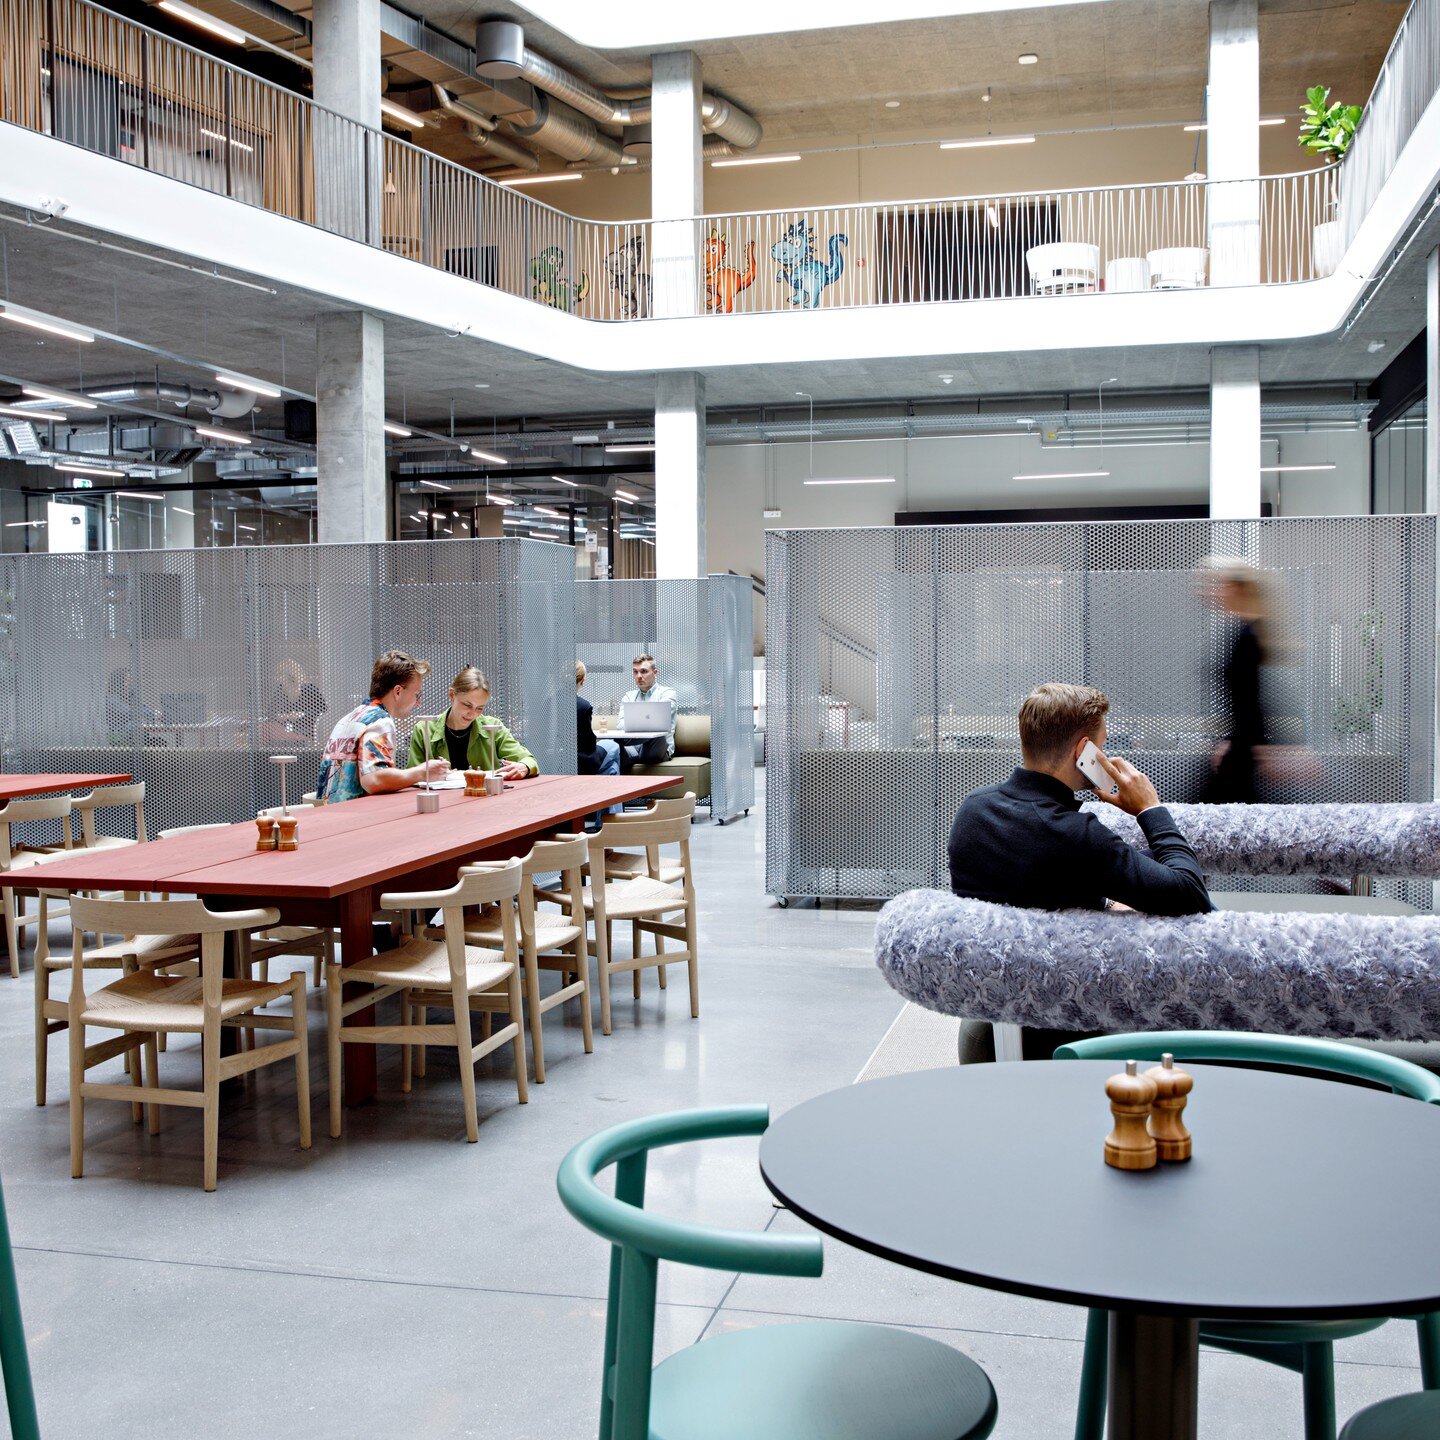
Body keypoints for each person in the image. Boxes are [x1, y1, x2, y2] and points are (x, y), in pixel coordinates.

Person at [947, 682, 1212, 917]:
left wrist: (1104, 900)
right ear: (1082, 750)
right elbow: (1191, 895)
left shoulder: (973, 808)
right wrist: (1150, 808)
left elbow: (1045, 880)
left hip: (997, 965)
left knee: (1158, 858)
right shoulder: (1076, 835)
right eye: (1102, 745)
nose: (1105, 755)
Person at [316, 650, 449, 804]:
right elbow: (374, 780)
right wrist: (421, 772)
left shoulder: (350, 718)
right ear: (398, 691)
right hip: (358, 820)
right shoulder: (380, 722)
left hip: (331, 815)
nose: (417, 703)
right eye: (417, 695)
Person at [1197, 556, 1272, 804]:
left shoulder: (1246, 635)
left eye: (1217, 585)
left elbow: (1251, 698)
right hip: (1240, 747)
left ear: (1236, 588)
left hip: (1242, 750)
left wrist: (1237, 743)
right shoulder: (1243, 631)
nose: (1209, 593)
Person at [407, 666, 537, 780]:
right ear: (451, 695)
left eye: (480, 708)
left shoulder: (493, 727)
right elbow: (412, 777)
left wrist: (524, 766)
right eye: (467, 705)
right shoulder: (424, 729)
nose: (472, 713)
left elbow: (529, 760)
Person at [616, 653, 677, 772]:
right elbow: (620, 726)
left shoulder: (668, 693)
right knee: (612, 743)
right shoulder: (629, 697)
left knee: (656, 734)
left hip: (657, 747)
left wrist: (636, 724)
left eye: (644, 671)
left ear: (655, 672)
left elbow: (658, 722)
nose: (639, 676)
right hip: (632, 749)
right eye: (635, 672)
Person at [267, 659, 327, 743]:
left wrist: (303, 714)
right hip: (285, 731)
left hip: (306, 729)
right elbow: (270, 712)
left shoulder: (309, 689)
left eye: (280, 675)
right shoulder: (280, 690)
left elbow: (322, 709)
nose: (277, 678)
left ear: (290, 675)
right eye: (276, 675)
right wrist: (282, 716)